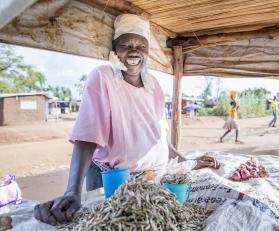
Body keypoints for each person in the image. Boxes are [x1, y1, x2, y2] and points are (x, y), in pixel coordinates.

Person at [34, 14, 220, 226]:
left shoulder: (154, 85)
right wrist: (72, 190)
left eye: (141, 46)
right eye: (125, 45)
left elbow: (159, 139)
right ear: (115, 51)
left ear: (147, 52)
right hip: (115, 179)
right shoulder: (103, 76)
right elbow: (87, 136)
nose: (134, 50)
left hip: (153, 179)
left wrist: (187, 163)